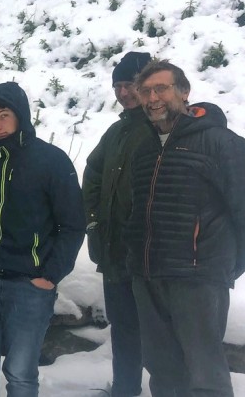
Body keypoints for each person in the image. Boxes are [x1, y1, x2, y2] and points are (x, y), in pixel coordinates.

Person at [125, 61, 245, 397]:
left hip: (197, 280)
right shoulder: (145, 149)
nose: (153, 98)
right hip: (148, 277)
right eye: (146, 91)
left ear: (184, 92)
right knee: (163, 374)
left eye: (161, 88)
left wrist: (221, 266)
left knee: (205, 378)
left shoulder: (222, 143)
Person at [0, 82, 85, 397]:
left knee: (22, 376)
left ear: (21, 115)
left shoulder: (51, 160)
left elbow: (73, 224)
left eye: (4, 115)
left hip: (29, 285)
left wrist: (51, 275)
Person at [81, 52, 154, 397]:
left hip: (150, 254)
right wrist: (93, 220)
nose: (124, 93)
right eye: (118, 86)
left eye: (131, 85)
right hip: (114, 252)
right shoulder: (117, 130)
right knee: (124, 328)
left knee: (157, 330)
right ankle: (125, 389)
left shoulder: (160, 127)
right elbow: (92, 173)